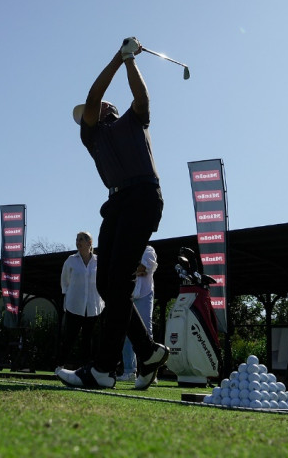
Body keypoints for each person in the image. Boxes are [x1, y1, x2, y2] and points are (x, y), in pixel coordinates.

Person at [57, 36, 168, 390]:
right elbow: (92, 98)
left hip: (143, 196)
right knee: (108, 284)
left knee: (117, 281)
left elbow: (142, 97)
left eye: (103, 105)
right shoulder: (92, 136)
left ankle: (104, 369)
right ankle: (148, 351)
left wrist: (130, 60)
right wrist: (118, 58)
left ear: (114, 108)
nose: (92, 111)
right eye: (86, 115)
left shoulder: (134, 119)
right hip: (116, 203)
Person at [56, 231, 105, 372]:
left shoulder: (99, 261)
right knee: (69, 337)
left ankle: (86, 368)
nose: (78, 242)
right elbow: (64, 282)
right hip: (74, 305)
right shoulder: (71, 260)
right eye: (77, 239)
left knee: (88, 339)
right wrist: (68, 296)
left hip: (93, 306)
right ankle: (59, 366)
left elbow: (103, 281)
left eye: (81, 239)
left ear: (90, 243)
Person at [117, 245, 158, 382]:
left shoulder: (148, 250)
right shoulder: (126, 249)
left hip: (144, 295)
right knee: (127, 333)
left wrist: (130, 269)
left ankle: (150, 372)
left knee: (147, 331)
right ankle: (129, 371)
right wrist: (135, 269)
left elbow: (143, 268)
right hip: (129, 295)